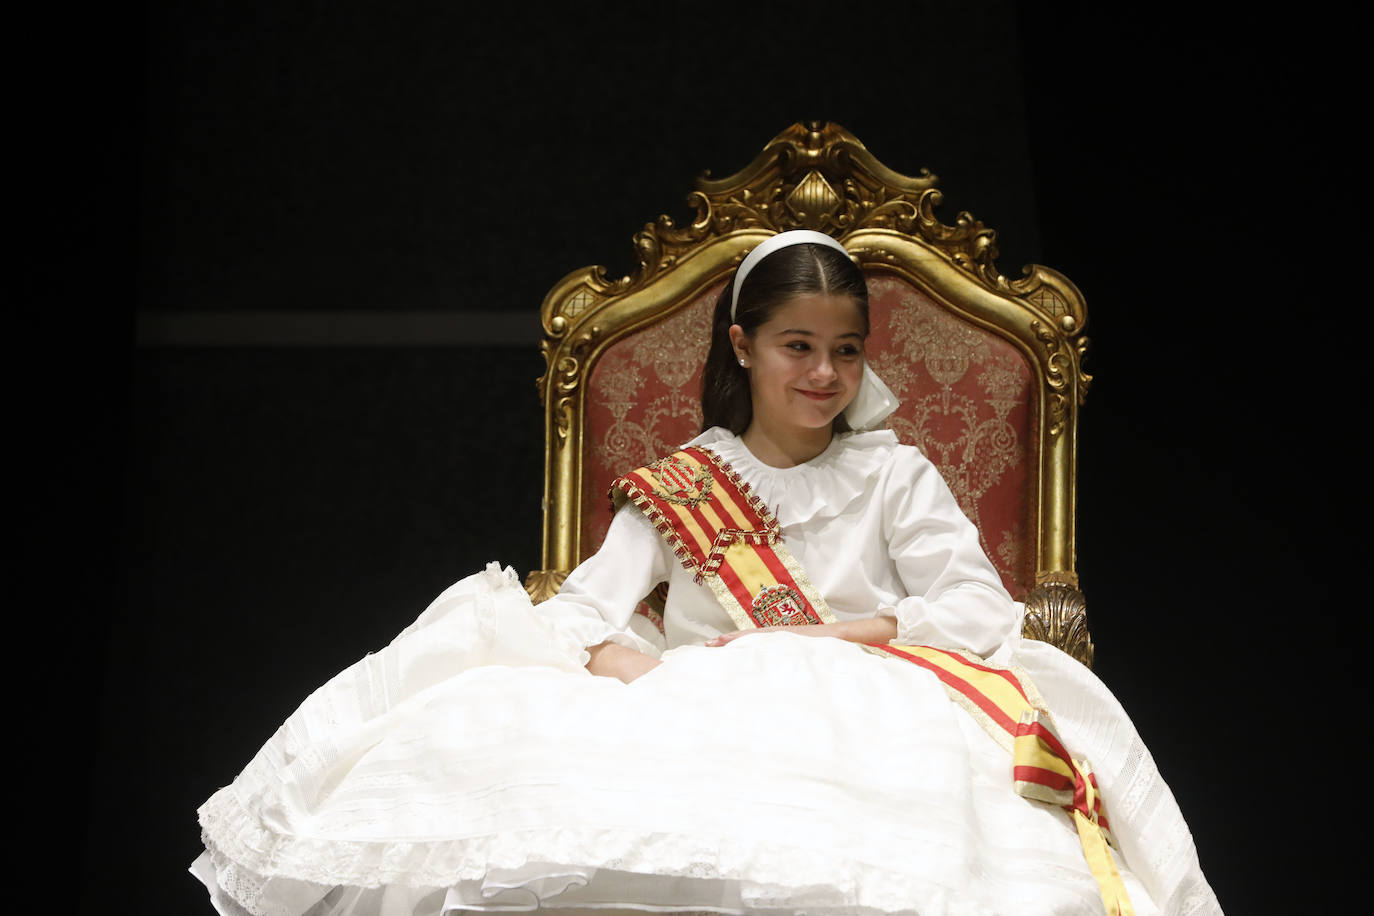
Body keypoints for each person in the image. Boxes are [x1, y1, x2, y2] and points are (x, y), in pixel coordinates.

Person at [193, 232, 1220, 916]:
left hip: (869, 708)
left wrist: (841, 638)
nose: (824, 375)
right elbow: (584, 610)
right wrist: (656, 682)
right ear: (745, 343)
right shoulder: (685, 483)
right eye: (798, 347)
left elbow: (972, 608)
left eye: (847, 352)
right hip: (703, 707)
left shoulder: (893, 472)